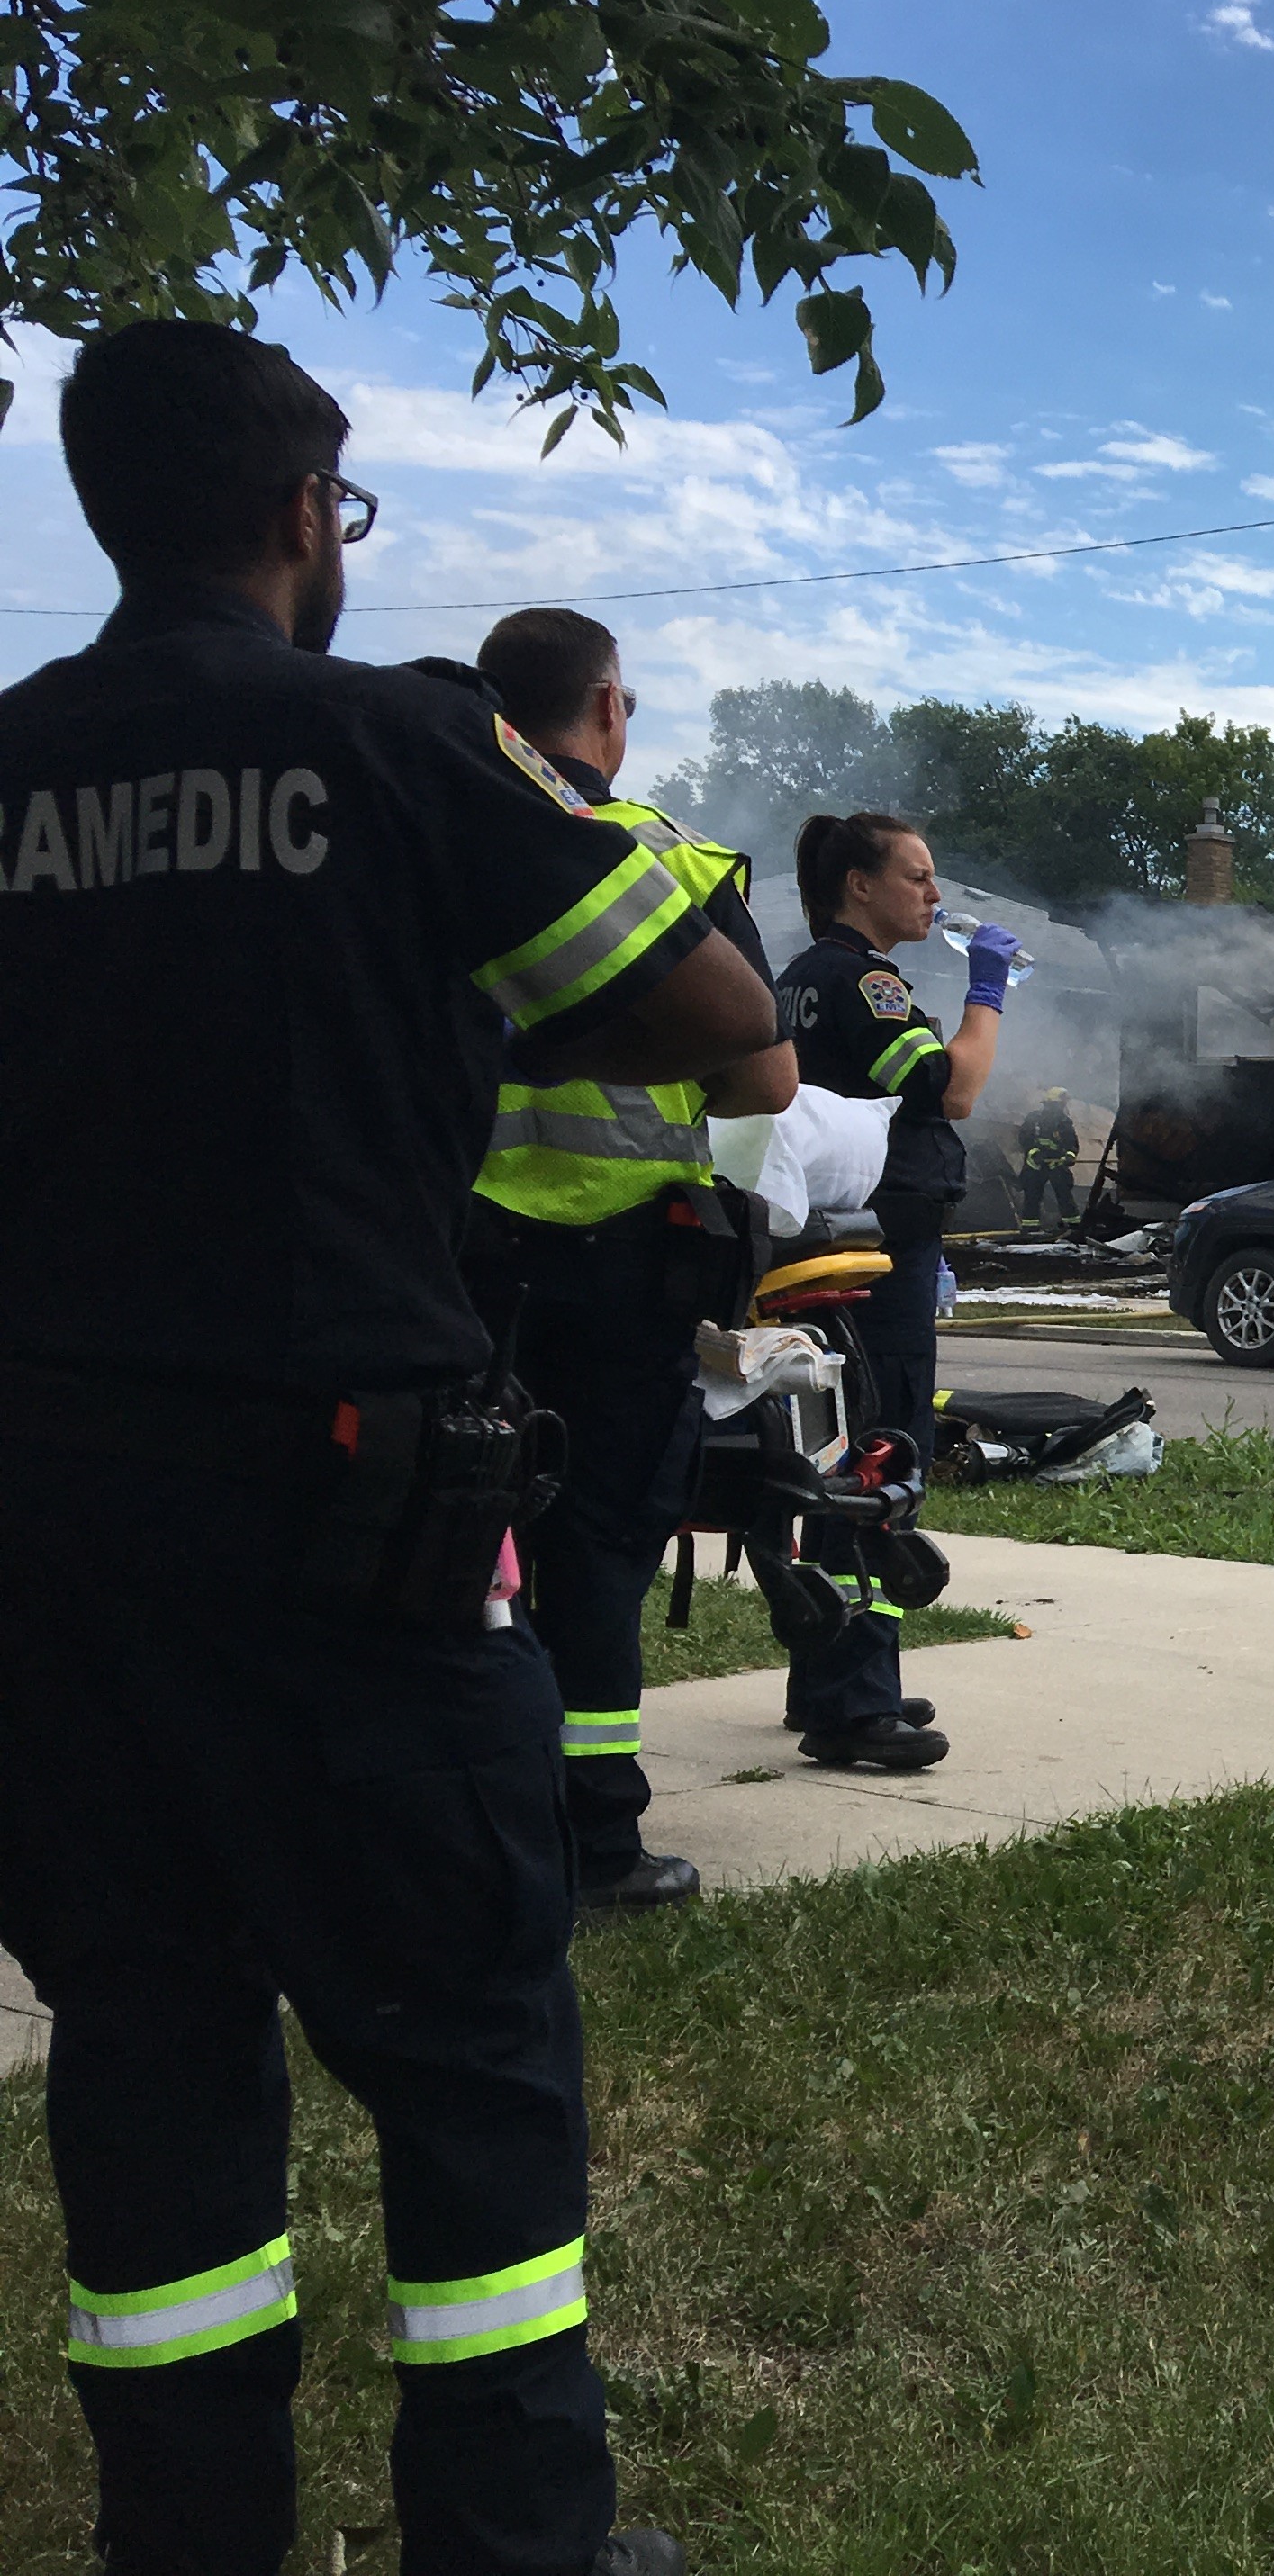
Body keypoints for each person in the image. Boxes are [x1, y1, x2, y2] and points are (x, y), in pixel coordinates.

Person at [0, 323, 773, 2574]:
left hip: (52, 1557)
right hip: (353, 1544)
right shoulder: (390, 750)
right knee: (470, 2087)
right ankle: (520, 2545)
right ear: (299, 515)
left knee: (144, 2082)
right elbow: (730, 1037)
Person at [464, 606, 797, 1916]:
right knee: (597, 1554)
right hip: (622, 1274)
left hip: (460, 1264)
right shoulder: (676, 866)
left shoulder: (439, 853)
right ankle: (596, 1841)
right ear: (611, 711)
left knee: (452, 1545)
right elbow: (766, 1078)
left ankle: (454, 1821)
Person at [775, 815, 1020, 1770]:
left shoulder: (800, 977)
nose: (934, 894)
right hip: (875, 1258)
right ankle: (852, 1704)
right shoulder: (864, 979)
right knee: (878, 1462)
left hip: (833, 1246)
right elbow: (949, 1089)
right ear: (859, 886)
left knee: (829, 1459)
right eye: (916, 876)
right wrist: (989, 992)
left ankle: (830, 1674)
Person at [1016, 1085, 1081, 1227]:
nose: (1062, 1108)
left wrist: (1069, 1156)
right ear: (1050, 1104)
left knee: (1064, 1193)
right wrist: (1034, 1153)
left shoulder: (1064, 1122)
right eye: (1059, 1105)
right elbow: (1024, 1139)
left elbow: (1071, 1143)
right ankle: (1030, 1227)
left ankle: (1073, 1226)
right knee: (1032, 1195)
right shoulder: (1034, 1119)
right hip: (1036, 1163)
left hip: (1056, 1163)